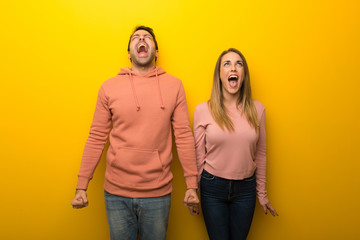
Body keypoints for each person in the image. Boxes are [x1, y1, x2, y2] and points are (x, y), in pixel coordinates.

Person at [71, 25, 199, 240]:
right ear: (129, 52)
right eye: (136, 38)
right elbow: (96, 138)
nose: (142, 39)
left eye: (147, 37)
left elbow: (184, 136)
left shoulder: (174, 86)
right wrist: (81, 186)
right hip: (116, 193)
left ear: (156, 52)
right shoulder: (108, 87)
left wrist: (192, 186)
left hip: (158, 193)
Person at [193, 48, 278, 240]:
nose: (234, 68)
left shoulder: (258, 109)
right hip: (212, 187)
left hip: (246, 190)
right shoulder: (203, 110)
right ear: (220, 75)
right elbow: (198, 156)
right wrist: (193, 190)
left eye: (239, 64)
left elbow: (261, 154)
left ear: (244, 75)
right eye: (227, 64)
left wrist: (261, 193)